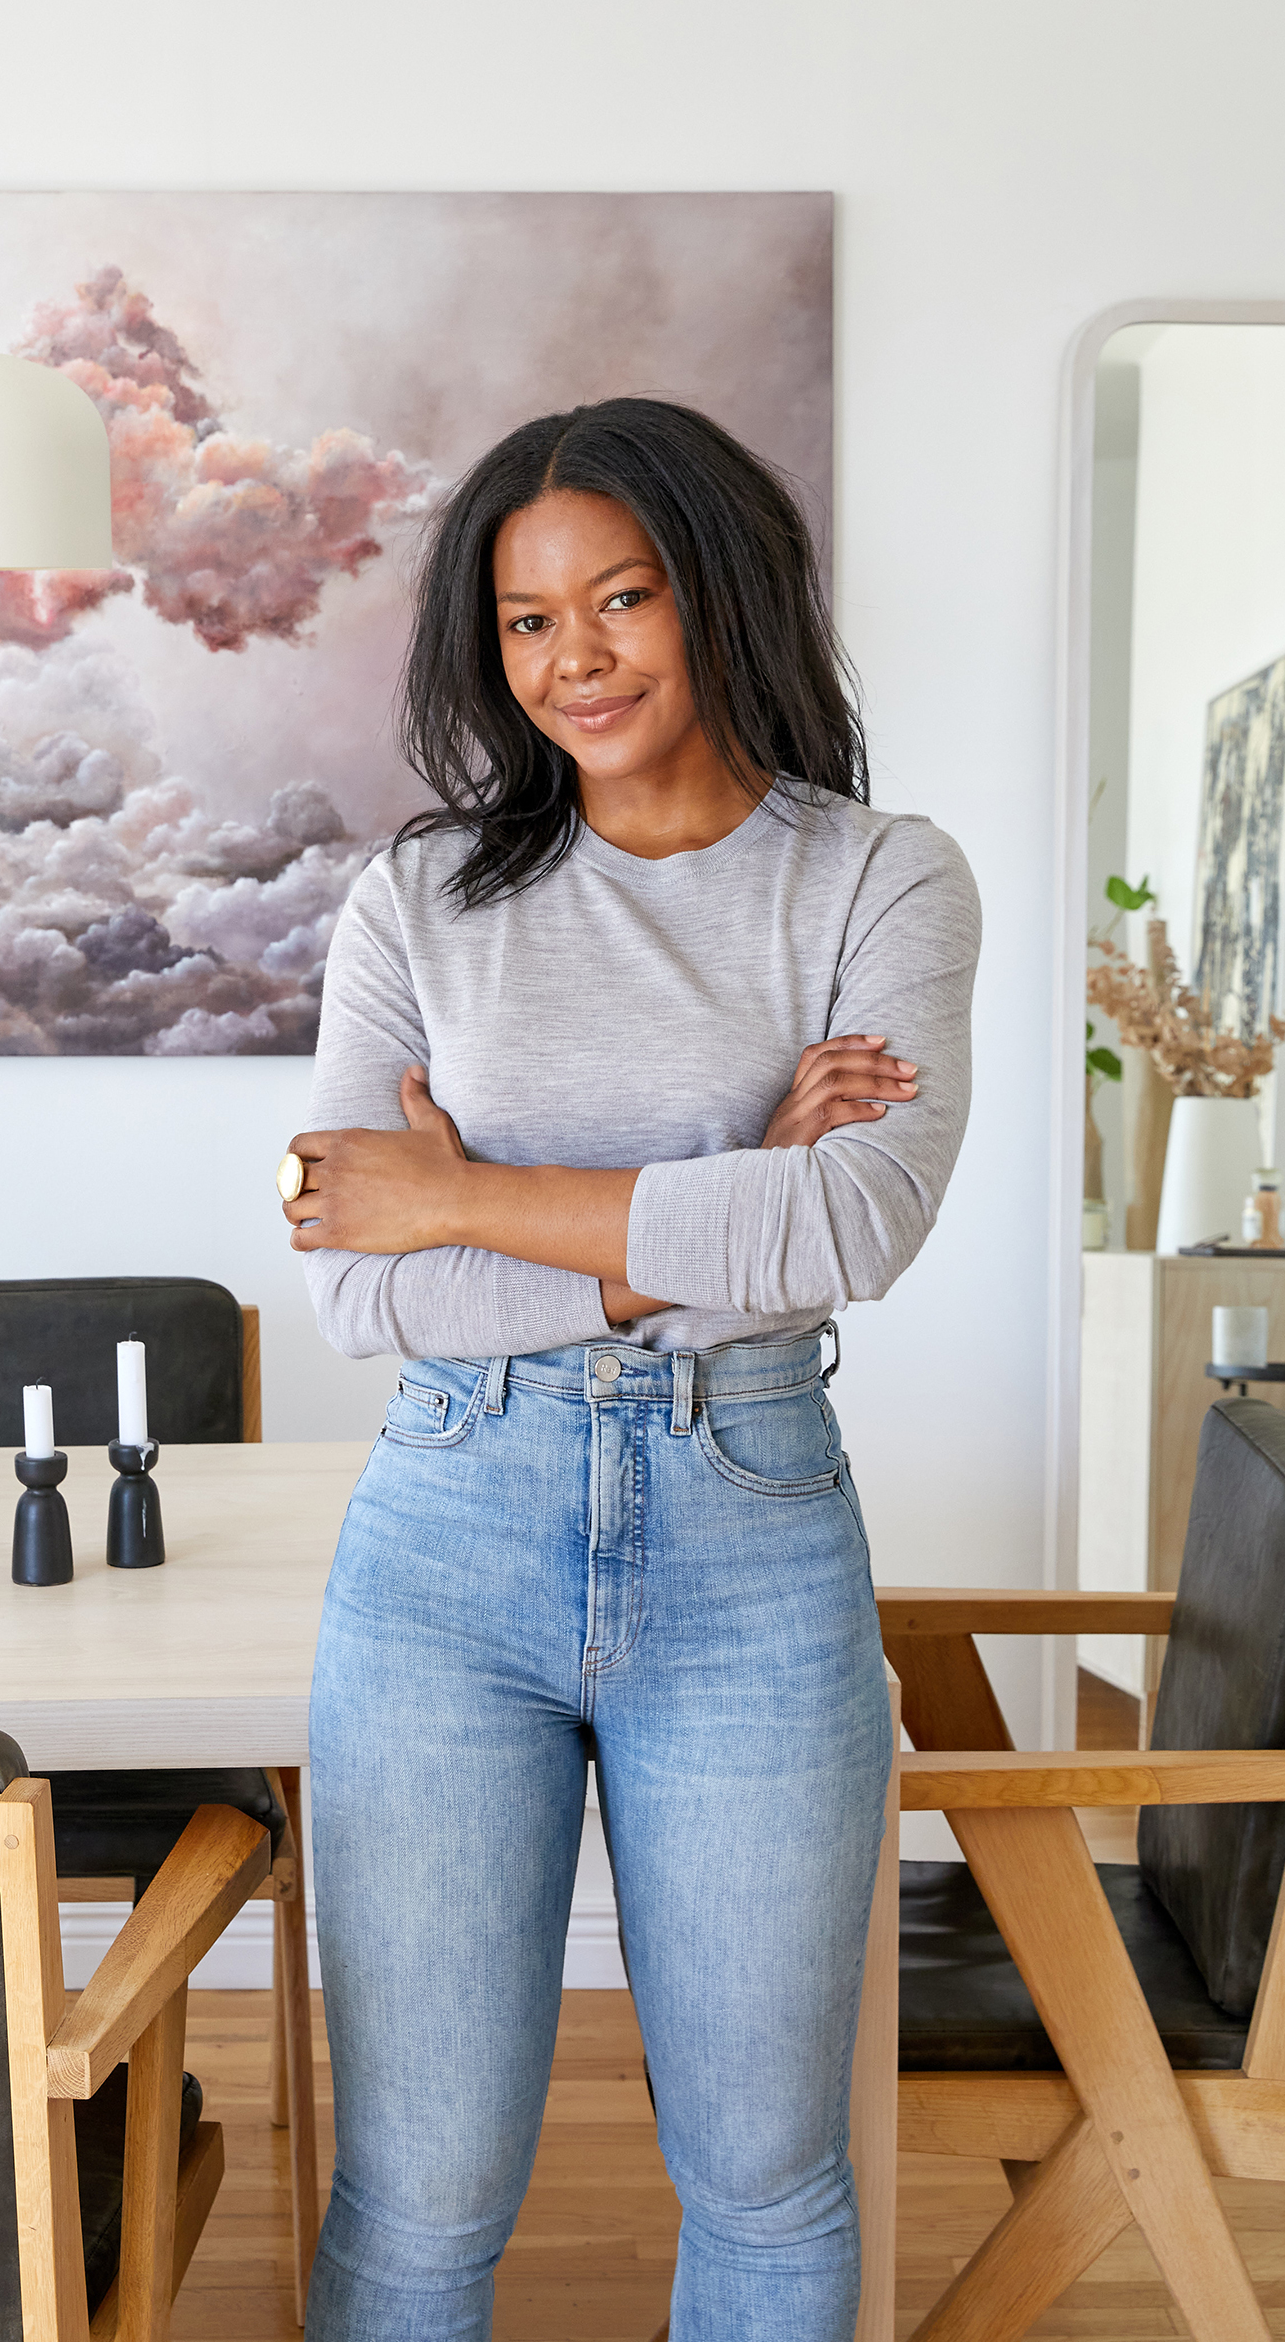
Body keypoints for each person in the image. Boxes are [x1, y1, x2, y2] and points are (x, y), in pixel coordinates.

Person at [279, 396, 979, 2341]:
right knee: (417, 2196)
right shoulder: (418, 900)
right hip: (442, 1543)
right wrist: (719, 1185)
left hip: (750, 1549)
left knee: (763, 2177)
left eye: (621, 597)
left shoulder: (878, 883)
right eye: (523, 622)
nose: (571, 656)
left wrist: (469, 1196)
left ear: (724, 594)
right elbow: (358, 1283)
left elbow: (844, 1238)